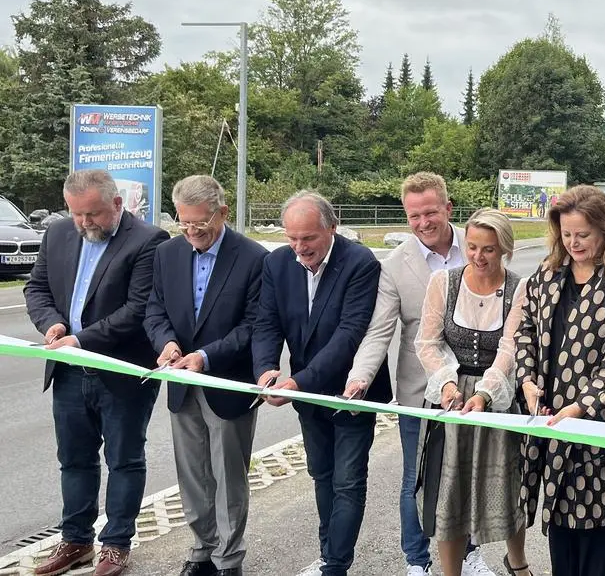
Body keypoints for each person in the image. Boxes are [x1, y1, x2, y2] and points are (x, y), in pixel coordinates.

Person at [346, 172, 494, 576]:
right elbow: (380, 331)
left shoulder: (481, 244)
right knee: (417, 478)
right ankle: (417, 561)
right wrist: (359, 378)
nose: (423, 222)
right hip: (420, 391)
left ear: (448, 208)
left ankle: (469, 554)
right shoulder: (395, 266)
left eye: (430, 212)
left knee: (471, 474)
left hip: (478, 387)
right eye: (413, 215)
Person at [23, 169, 169, 576]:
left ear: (117, 204)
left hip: (121, 372)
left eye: (94, 214)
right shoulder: (57, 235)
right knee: (74, 459)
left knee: (123, 459)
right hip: (68, 371)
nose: (85, 222)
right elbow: (36, 289)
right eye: (77, 214)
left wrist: (81, 339)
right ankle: (76, 541)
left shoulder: (148, 240)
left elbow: (139, 309)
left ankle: (116, 544)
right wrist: (51, 324)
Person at [251, 191, 392, 576]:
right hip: (306, 395)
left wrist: (297, 382)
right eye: (292, 237)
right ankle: (329, 550)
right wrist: (266, 369)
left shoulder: (360, 262)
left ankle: (334, 564)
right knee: (322, 475)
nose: (299, 247)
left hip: (352, 390)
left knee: (347, 481)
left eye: (308, 238)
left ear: (331, 227)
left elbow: (350, 334)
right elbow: (266, 323)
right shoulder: (277, 263)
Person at [514, 185, 605, 576]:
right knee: (562, 540)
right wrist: (527, 380)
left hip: (603, 439)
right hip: (554, 428)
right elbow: (525, 329)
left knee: (598, 541)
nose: (574, 242)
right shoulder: (547, 272)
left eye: (583, 234)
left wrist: (582, 406)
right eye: (567, 234)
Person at [143, 175, 268, 576]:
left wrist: (204, 356)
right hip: (181, 382)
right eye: (185, 223)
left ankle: (228, 559)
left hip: (227, 384)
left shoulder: (253, 257)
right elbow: (154, 310)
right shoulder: (167, 254)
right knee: (193, 474)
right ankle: (201, 550)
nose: (192, 232)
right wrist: (166, 343)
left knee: (229, 477)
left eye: (201, 224)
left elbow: (254, 325)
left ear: (223, 212)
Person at [413, 209, 532, 576]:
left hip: (496, 398)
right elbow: (427, 343)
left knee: (508, 486)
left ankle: (518, 563)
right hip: (451, 398)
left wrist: (484, 394)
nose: (479, 257)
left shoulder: (518, 288)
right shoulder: (443, 282)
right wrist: (448, 385)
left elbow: (510, 349)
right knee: (449, 492)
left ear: (505, 250)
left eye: (490, 250)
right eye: (473, 247)